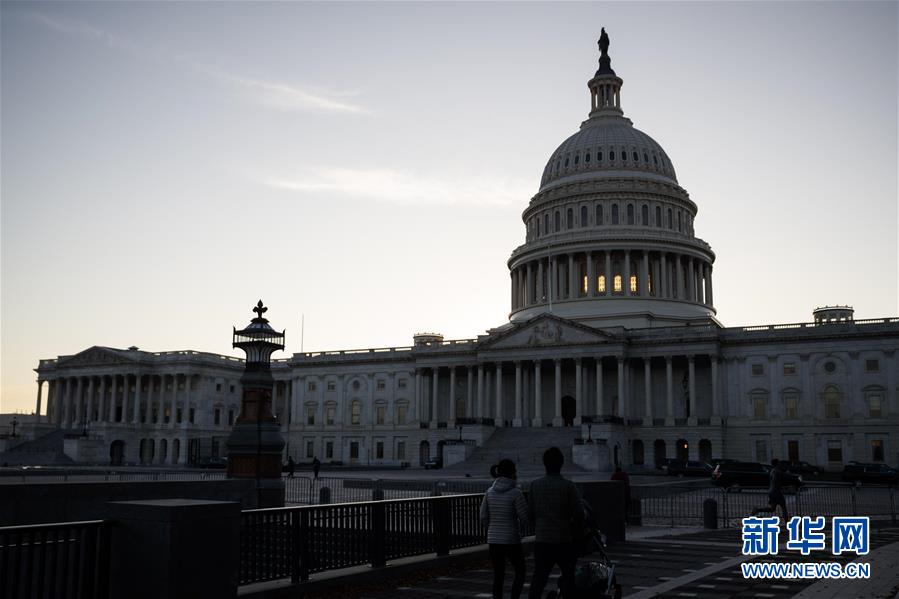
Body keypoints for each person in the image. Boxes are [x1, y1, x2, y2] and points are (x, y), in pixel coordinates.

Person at [527, 447, 585, 599]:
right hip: (563, 539)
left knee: (538, 579)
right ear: (562, 463)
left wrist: (539, 525)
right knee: (569, 577)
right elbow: (579, 513)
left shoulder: (535, 485)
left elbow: (529, 514)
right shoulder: (568, 486)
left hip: (542, 540)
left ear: (544, 464)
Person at [480, 459, 528, 599]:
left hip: (493, 539)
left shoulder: (489, 492)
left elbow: (483, 516)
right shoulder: (516, 493)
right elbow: (524, 516)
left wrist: (491, 528)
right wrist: (521, 528)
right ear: (513, 473)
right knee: (520, 571)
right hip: (511, 538)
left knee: (498, 575)